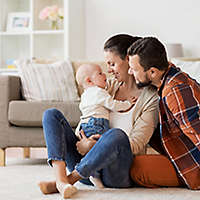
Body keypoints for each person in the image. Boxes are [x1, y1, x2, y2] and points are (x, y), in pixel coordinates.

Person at [38, 34, 159, 199]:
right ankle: (61, 181)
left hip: (115, 173)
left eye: (112, 64)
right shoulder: (106, 85)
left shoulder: (150, 98)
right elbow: (88, 114)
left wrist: (95, 146)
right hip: (87, 168)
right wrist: (84, 141)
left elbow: (136, 144)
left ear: (129, 61)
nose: (108, 70)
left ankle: (70, 179)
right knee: (51, 115)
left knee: (116, 135)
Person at [127, 37, 200, 190]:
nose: (129, 72)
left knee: (137, 169)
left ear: (153, 72)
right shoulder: (166, 78)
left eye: (134, 69)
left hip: (194, 164)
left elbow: (198, 134)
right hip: (177, 151)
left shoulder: (175, 91)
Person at [75, 63, 136, 187]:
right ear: (89, 80)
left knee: (92, 150)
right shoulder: (98, 92)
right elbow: (113, 104)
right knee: (100, 149)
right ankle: (94, 174)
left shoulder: (85, 96)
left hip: (85, 125)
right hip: (97, 124)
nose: (105, 75)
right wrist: (128, 103)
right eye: (100, 73)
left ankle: (89, 171)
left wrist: (78, 131)